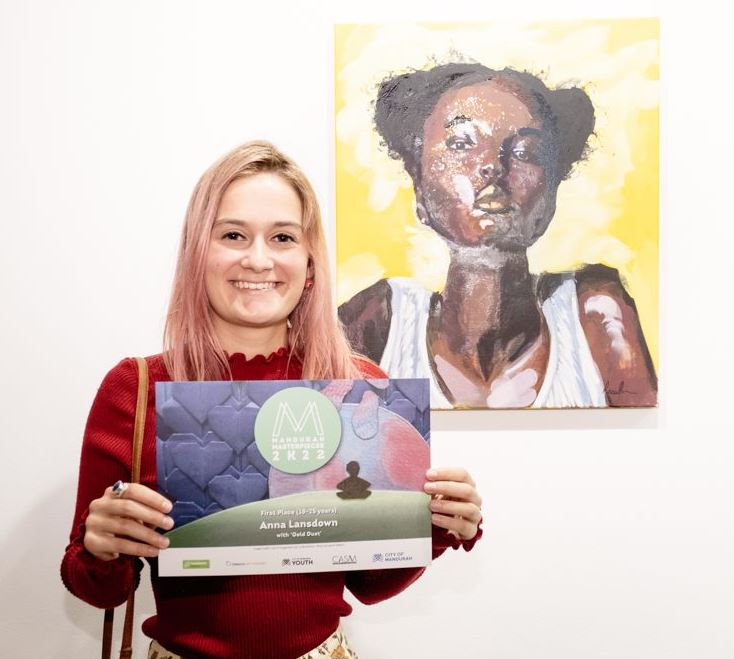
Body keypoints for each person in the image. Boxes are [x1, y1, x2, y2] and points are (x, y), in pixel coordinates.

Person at [61, 141, 482, 659]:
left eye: (282, 237)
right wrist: (101, 545)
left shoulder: (359, 387)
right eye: (233, 234)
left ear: (308, 263)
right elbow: (94, 587)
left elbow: (373, 584)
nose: (258, 259)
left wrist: (433, 525)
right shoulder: (138, 388)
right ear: (199, 251)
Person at [338, 63, 658, 409]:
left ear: (551, 193)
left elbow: (645, 450)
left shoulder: (593, 312)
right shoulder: (379, 321)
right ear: (418, 184)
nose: (492, 165)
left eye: (525, 152)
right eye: (461, 143)